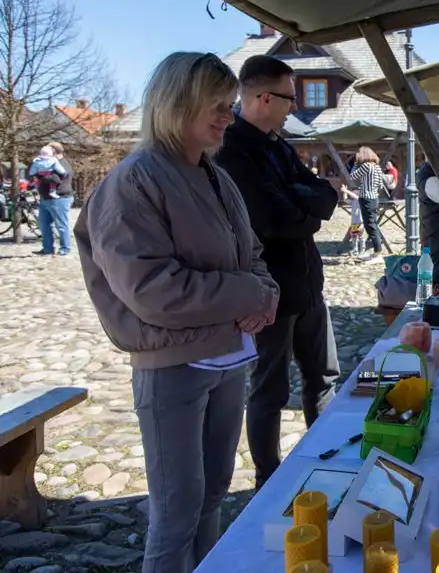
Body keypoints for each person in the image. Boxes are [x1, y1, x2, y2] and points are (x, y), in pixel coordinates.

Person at [75, 52, 281, 573]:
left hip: (228, 360)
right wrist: (251, 296)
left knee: (211, 495)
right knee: (175, 514)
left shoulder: (214, 176)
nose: (227, 117)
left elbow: (252, 254)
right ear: (177, 104)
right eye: (216, 105)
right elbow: (152, 291)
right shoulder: (134, 182)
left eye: (230, 106)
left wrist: (267, 294)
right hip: (172, 368)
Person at [214, 54, 340, 490]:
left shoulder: (279, 145)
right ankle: (269, 480)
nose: (294, 106)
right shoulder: (232, 148)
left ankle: (326, 461)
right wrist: (305, 210)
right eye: (289, 98)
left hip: (308, 287)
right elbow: (273, 221)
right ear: (264, 97)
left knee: (323, 380)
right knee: (269, 392)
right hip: (270, 295)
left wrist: (301, 203)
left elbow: (326, 196)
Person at [342, 146, 386, 263]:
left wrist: (356, 164)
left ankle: (378, 254)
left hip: (366, 198)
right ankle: (377, 251)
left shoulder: (366, 166)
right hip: (374, 198)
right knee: (373, 225)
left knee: (370, 226)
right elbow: (381, 185)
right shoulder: (377, 167)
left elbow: (352, 176)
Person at [34, 141, 75, 256]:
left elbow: (56, 179)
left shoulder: (62, 164)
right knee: (44, 224)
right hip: (46, 198)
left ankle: (65, 249)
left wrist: (39, 175)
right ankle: (47, 249)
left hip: (59, 198)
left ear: (53, 151)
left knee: (61, 225)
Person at [417, 159, 439, 289]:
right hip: (435, 234)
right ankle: (432, 303)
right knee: (434, 274)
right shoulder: (428, 177)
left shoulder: (434, 174)